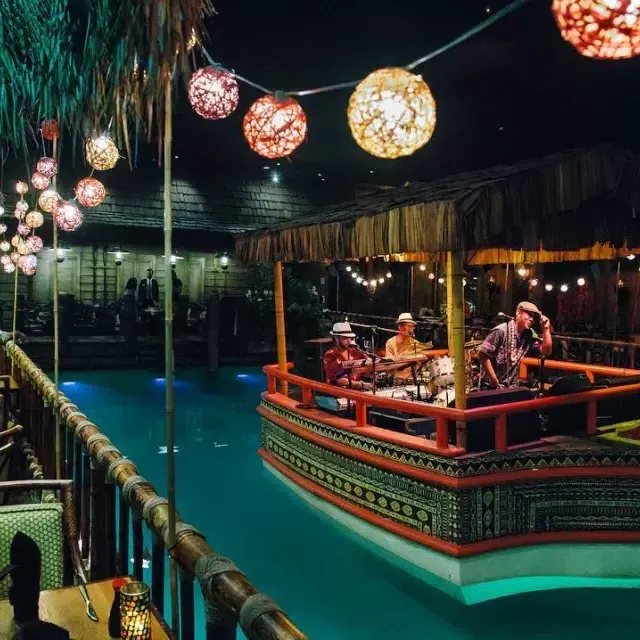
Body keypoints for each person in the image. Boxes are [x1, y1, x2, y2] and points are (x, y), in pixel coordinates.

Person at [478, 301, 552, 389]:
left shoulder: (528, 335)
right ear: (518, 313)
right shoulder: (501, 331)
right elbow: (482, 354)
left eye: (534, 317)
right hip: (491, 387)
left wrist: (546, 329)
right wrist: (493, 379)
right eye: (529, 314)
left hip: (511, 387)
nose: (532, 319)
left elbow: (546, 351)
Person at [323, 322, 372, 391]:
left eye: (350, 338)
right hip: (338, 392)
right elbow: (335, 378)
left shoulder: (355, 351)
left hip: (356, 391)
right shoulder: (330, 355)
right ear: (336, 338)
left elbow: (369, 363)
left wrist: (366, 356)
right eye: (345, 338)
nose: (349, 340)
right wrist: (360, 384)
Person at [385, 313, 433, 381]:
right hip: (397, 379)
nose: (411, 329)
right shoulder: (390, 342)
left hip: (413, 379)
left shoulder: (415, 343)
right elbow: (387, 364)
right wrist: (401, 358)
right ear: (400, 327)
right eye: (409, 326)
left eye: (412, 326)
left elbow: (419, 364)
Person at [119, 278, 138, 357]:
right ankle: (131, 355)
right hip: (129, 318)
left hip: (124, 318)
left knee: (127, 337)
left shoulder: (125, 294)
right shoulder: (130, 296)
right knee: (131, 337)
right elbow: (131, 309)